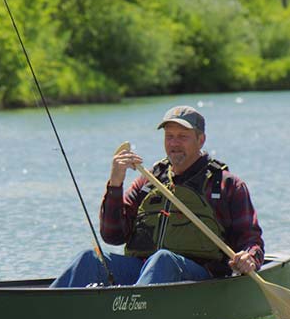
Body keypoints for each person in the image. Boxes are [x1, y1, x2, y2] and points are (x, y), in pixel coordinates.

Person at [50, 106, 264, 287]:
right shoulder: (148, 181)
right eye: (169, 136)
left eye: (183, 137)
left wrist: (248, 258)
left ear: (201, 140)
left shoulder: (227, 185)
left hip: (200, 278)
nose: (174, 143)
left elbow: (251, 240)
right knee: (91, 258)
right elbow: (112, 235)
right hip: (143, 271)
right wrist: (115, 183)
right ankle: (43, 309)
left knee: (162, 259)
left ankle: (131, 312)